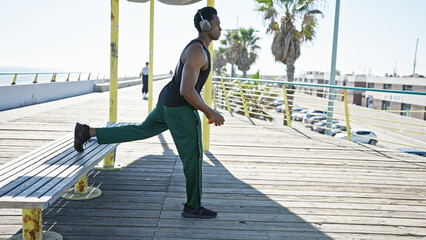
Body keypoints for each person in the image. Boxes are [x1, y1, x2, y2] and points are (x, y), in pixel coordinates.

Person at [74, 6, 223, 219]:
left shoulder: (197, 49)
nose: (220, 28)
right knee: (193, 156)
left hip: (167, 102)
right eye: (217, 24)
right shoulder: (198, 51)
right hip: (179, 108)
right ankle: (192, 206)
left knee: (139, 131)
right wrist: (210, 112)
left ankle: (86, 132)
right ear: (205, 25)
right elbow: (187, 90)